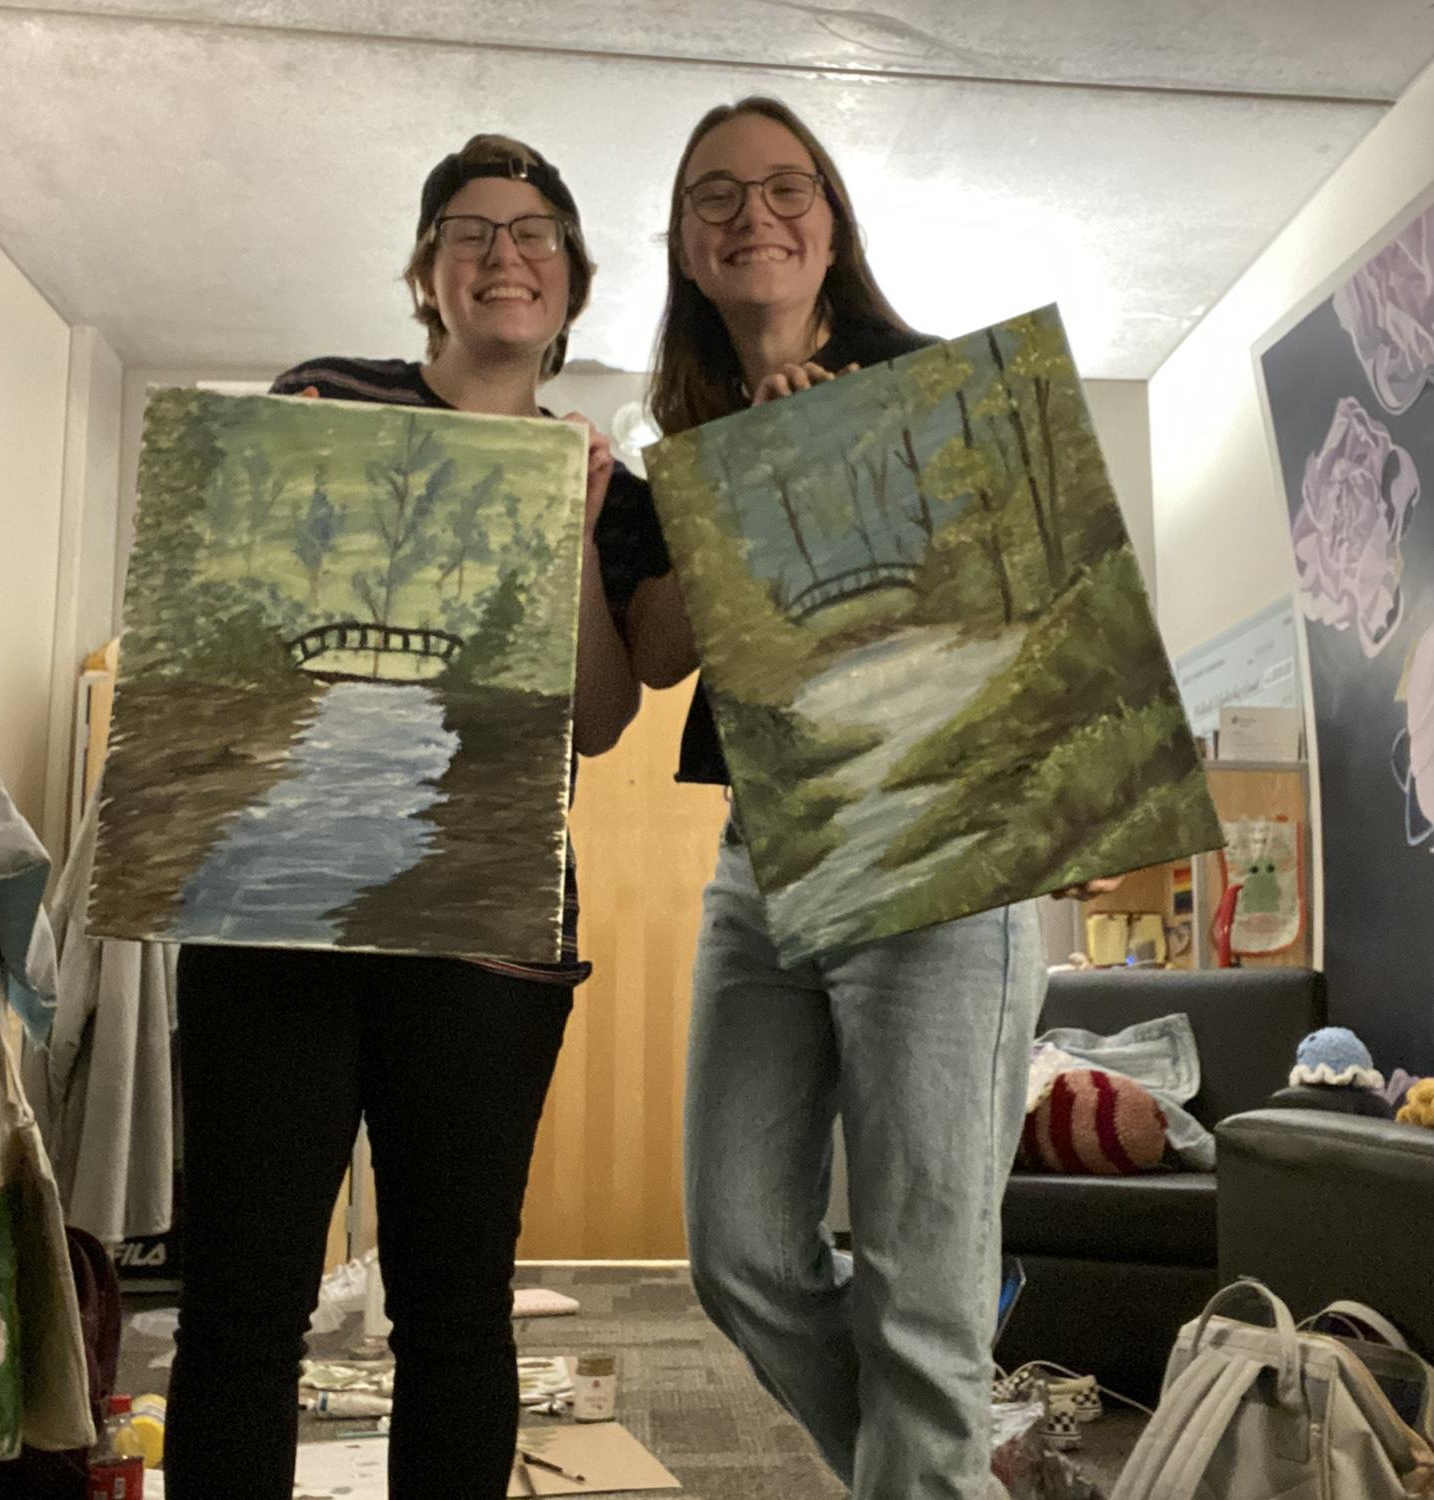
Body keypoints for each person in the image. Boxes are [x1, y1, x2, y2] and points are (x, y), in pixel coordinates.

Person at [164, 134, 667, 1500]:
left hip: (485, 923)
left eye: (535, 232)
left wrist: (566, 536)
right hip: (284, 904)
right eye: (471, 230)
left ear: (571, 281)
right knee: (242, 1300)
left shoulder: (610, 491)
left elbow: (601, 719)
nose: (505, 252)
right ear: (427, 273)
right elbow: (233, 616)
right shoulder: (325, 398)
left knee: (454, 1304)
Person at [626, 96, 1110, 1498]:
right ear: (687, 247)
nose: (753, 215)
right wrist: (749, 491)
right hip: (766, 852)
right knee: (740, 1252)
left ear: (833, 224)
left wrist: (848, 468)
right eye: (716, 196)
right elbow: (655, 653)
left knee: (922, 1291)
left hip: (940, 843)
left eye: (786, 187)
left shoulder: (940, 389)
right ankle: (959, 1469)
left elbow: (1034, 612)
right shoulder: (682, 434)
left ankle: (940, 1463)